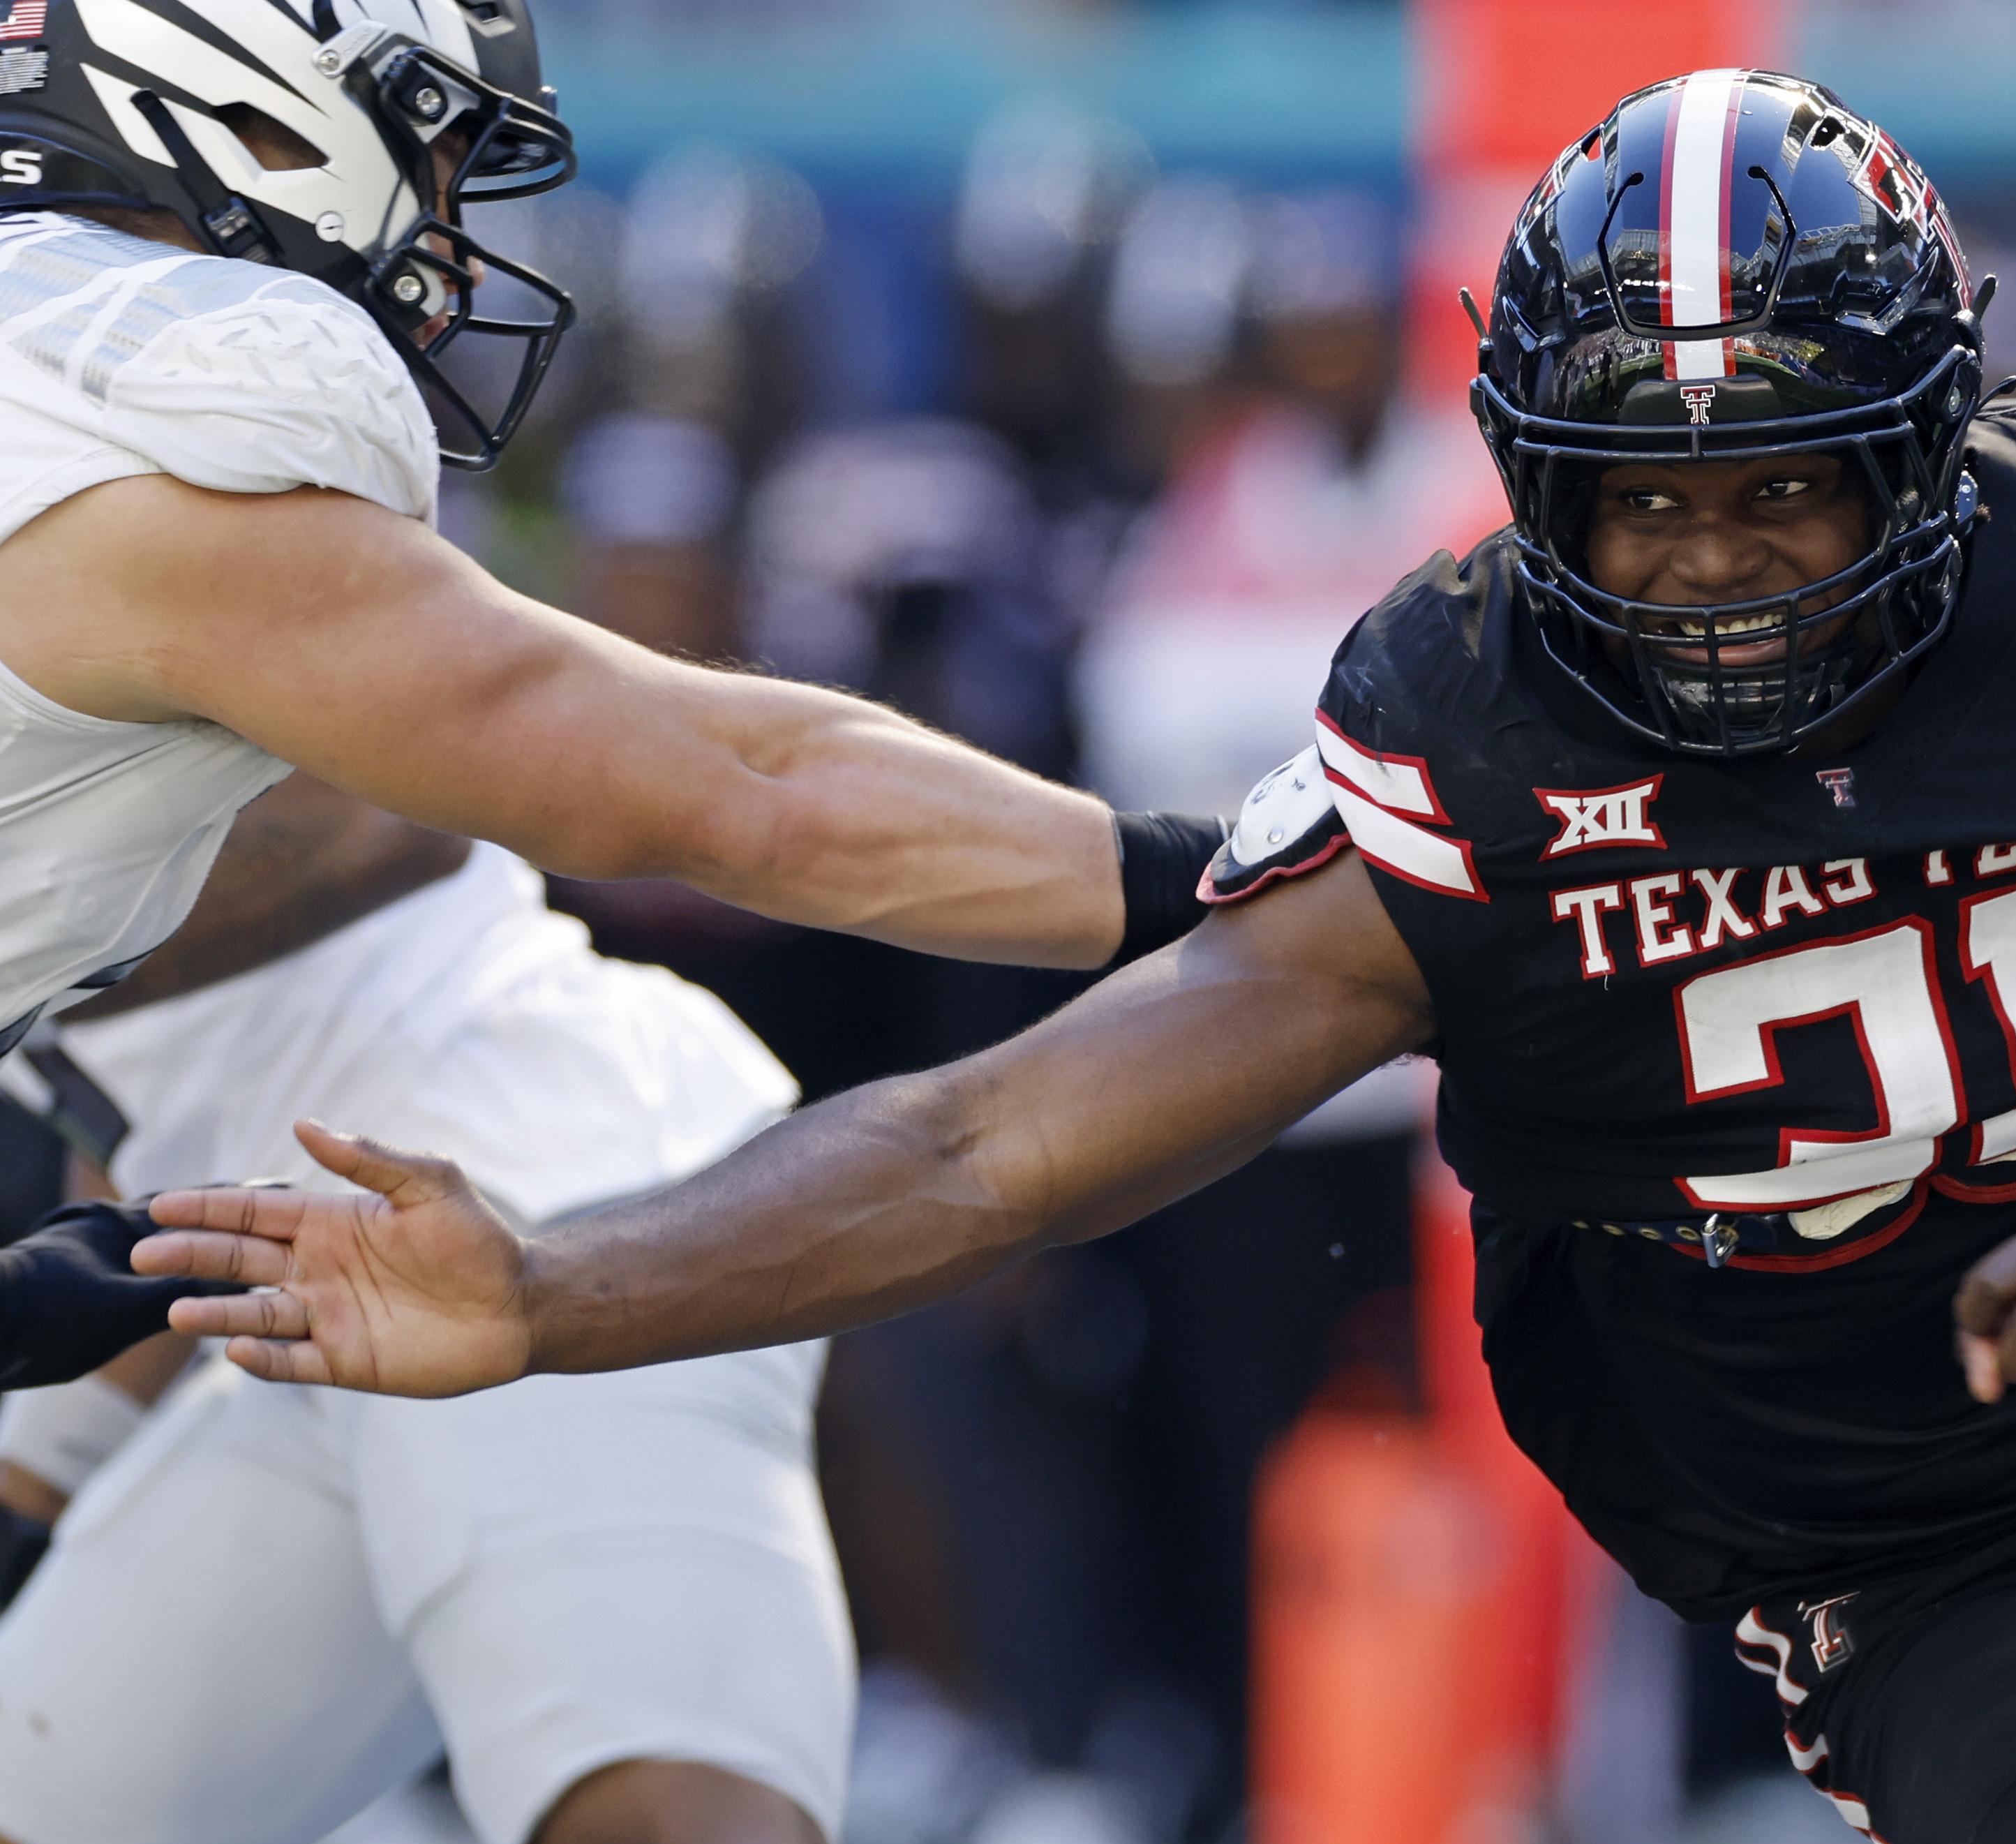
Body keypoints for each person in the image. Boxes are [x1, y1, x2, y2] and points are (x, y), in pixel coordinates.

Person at [147, 72, 2016, 1844]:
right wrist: (559, 1285)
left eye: (1778, 484)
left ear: (1925, 455)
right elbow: (990, 1145)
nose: (1702, 564)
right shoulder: (1468, 756)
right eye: (1640, 498)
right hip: (1894, 1544)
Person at [0, 0, 1222, 1385]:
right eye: (435, 149)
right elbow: (740, 791)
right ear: (249, 112)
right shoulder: (166, 429)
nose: (446, 226)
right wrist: (1217, 878)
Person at [0, 775, 851, 1844]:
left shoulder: (157, 610)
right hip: (307, 1277)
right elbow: (146, 1096)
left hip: (529, 1168)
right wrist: (41, 1476)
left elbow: (663, 742)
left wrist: (1137, 866)